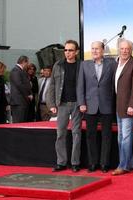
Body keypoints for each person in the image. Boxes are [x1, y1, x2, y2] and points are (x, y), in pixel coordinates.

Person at [77, 41, 116, 173]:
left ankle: (105, 163)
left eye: (97, 49)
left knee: (107, 136)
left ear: (103, 50)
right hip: (89, 106)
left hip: (107, 105)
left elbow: (114, 84)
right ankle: (93, 163)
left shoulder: (111, 64)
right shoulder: (84, 64)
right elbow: (80, 85)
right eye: (92, 48)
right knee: (90, 135)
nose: (94, 51)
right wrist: (81, 103)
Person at [46, 40, 82, 172]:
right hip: (62, 104)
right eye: (66, 50)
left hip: (77, 104)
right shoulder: (58, 65)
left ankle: (75, 162)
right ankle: (61, 162)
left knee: (76, 133)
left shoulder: (81, 65)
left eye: (70, 50)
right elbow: (52, 86)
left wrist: (83, 103)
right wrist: (51, 104)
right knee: (60, 133)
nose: (67, 53)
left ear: (76, 52)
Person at [112, 39, 133, 176]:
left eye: (127, 49)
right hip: (118, 106)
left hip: (128, 107)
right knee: (120, 137)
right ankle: (129, 163)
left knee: (126, 138)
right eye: (122, 48)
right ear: (119, 49)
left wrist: (132, 105)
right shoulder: (116, 64)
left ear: (131, 50)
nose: (125, 51)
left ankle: (123, 165)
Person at [10, 55, 33, 123]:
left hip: (22, 101)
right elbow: (19, 85)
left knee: (22, 122)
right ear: (24, 62)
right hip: (18, 101)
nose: (28, 65)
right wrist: (28, 95)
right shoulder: (16, 70)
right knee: (18, 122)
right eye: (27, 63)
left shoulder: (20, 70)